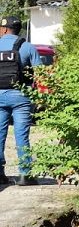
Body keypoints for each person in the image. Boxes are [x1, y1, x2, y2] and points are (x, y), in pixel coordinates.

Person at [0, 15, 41, 185]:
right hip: (21, 97)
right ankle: (25, 174)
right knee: (21, 135)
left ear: (3, 29)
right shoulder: (27, 47)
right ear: (19, 29)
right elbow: (42, 75)